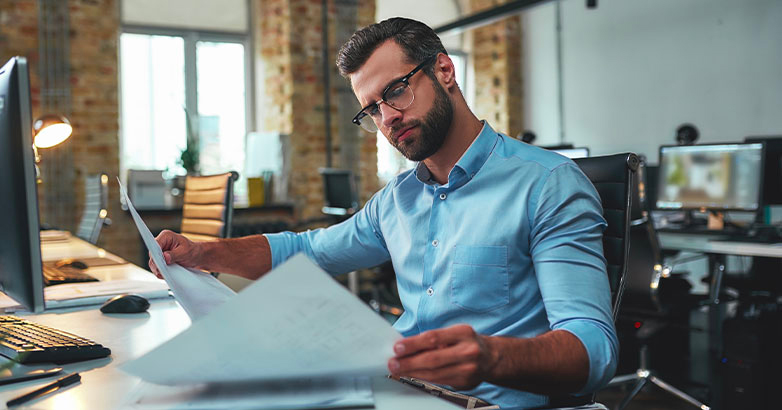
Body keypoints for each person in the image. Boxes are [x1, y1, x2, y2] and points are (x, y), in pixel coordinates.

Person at [150, 17, 617, 409]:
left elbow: (594, 349)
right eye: (372, 110)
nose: (387, 117)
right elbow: (307, 249)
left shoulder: (546, 184)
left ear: (445, 71)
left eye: (396, 91)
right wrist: (202, 253)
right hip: (391, 393)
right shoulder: (398, 199)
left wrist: (492, 357)